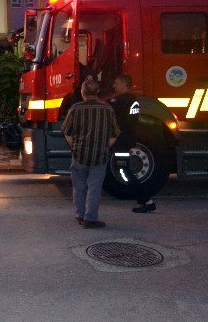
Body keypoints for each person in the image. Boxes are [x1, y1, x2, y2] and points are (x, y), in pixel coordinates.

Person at [61, 79, 119, 229]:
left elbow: (67, 133)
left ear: (82, 92)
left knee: (79, 187)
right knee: (94, 187)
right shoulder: (107, 109)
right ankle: (90, 219)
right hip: (100, 156)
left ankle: (80, 215)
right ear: (97, 92)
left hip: (79, 154)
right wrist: (104, 147)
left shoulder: (75, 109)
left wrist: (75, 147)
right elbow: (114, 135)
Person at [108, 74, 156, 213]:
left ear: (123, 84)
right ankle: (144, 200)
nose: (114, 85)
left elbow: (108, 110)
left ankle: (146, 200)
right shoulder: (133, 100)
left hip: (121, 141)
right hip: (127, 140)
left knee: (123, 170)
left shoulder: (119, 101)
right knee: (123, 168)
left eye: (116, 82)